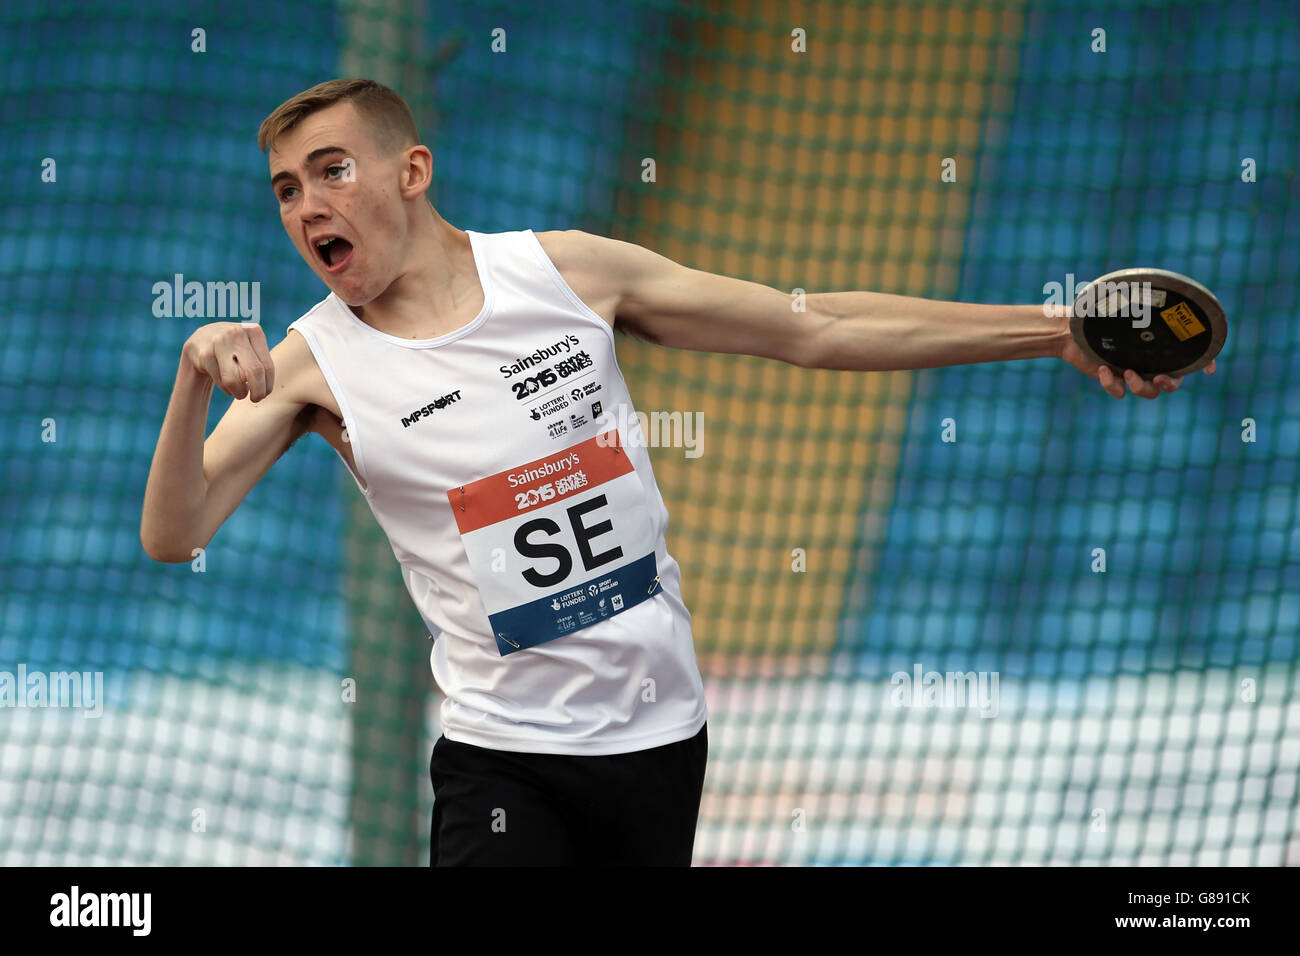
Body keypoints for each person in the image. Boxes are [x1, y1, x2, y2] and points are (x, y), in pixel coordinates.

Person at [140, 78, 1214, 867]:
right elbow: (173, 533)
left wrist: (1051, 329)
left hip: (660, 734)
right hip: (502, 758)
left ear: (411, 171)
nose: (306, 203)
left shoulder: (566, 272)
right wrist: (192, 381)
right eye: (286, 189)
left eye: (332, 169)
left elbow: (820, 326)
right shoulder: (310, 361)